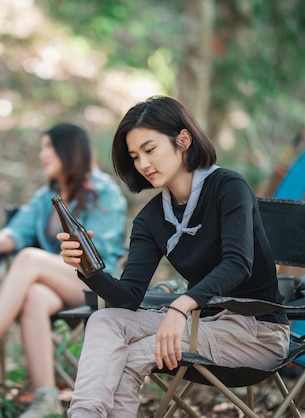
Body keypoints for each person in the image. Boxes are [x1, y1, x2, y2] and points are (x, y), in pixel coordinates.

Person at [58, 96, 290, 417]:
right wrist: (88, 269)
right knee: (104, 319)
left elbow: (238, 263)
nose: (143, 164)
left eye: (150, 150)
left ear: (183, 140)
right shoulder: (151, 218)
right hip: (199, 325)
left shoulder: (228, 187)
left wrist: (180, 307)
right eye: (135, 156)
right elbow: (127, 299)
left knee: (133, 355)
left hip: (257, 331)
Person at [0, 123, 127, 418]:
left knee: (29, 259)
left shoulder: (104, 192)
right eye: (42, 148)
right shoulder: (45, 197)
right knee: (35, 297)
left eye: (49, 148)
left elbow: (99, 252)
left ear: (70, 151)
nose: (43, 155)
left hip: (96, 283)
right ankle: (46, 398)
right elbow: (15, 233)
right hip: (58, 284)